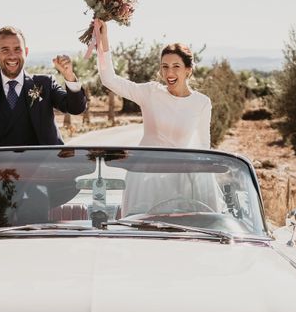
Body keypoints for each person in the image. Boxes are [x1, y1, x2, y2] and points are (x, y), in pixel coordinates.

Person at [93, 19, 221, 216]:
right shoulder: (150, 92)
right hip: (145, 178)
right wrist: (103, 40)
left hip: (182, 179)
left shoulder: (202, 103)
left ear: (188, 70)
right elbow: (109, 79)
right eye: (165, 66)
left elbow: (204, 147)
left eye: (176, 66)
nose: (169, 72)